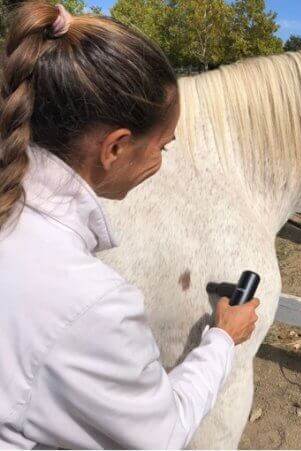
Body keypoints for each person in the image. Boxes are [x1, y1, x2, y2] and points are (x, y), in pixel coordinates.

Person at [0, 2, 260, 449]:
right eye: (162, 146)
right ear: (115, 149)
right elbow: (162, 434)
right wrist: (222, 338)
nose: (161, 162)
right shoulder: (95, 303)